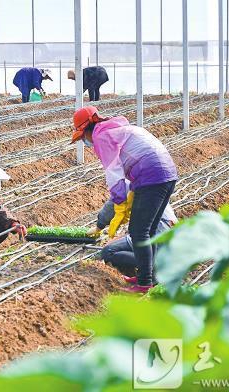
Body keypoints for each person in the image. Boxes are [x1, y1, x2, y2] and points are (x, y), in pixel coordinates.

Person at [71, 106, 178, 293]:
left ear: (87, 129)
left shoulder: (100, 136)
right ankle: (149, 277)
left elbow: (113, 171)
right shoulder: (115, 129)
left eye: (82, 137)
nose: (85, 142)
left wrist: (119, 200)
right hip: (166, 174)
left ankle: (144, 284)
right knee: (149, 230)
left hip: (151, 176)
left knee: (139, 231)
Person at [96, 200, 178, 279]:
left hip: (157, 231)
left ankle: (154, 264)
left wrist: (99, 226)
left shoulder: (128, 186)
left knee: (108, 252)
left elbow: (113, 202)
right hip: (169, 233)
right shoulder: (155, 188)